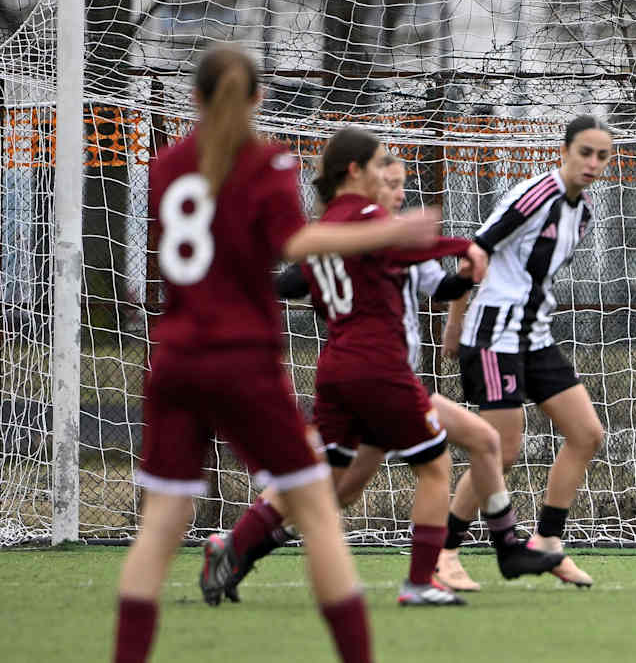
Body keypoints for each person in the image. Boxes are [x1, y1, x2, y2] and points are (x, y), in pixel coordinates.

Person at [114, 44, 437, 662]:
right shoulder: (267, 164)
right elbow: (294, 242)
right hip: (243, 362)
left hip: (175, 360)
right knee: (317, 507)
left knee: (160, 525)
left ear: (194, 97)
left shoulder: (164, 166)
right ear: (260, 98)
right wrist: (392, 230)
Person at [225, 154, 561, 597]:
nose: (401, 193)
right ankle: (437, 574)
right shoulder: (367, 233)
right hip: (379, 377)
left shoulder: (385, 235)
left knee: (476, 444)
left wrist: (461, 278)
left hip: (382, 377)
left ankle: (506, 547)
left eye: (402, 184)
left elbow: (438, 287)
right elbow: (296, 278)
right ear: (362, 180)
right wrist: (462, 246)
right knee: (425, 464)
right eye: (392, 183)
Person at [435, 115, 610, 591]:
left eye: (602, 156)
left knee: (586, 433)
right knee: (501, 451)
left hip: (534, 335)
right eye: (585, 153)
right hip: (495, 334)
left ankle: (547, 542)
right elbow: (474, 251)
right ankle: (444, 553)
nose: (593, 163)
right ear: (565, 152)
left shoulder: (583, 212)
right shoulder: (535, 196)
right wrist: (456, 320)